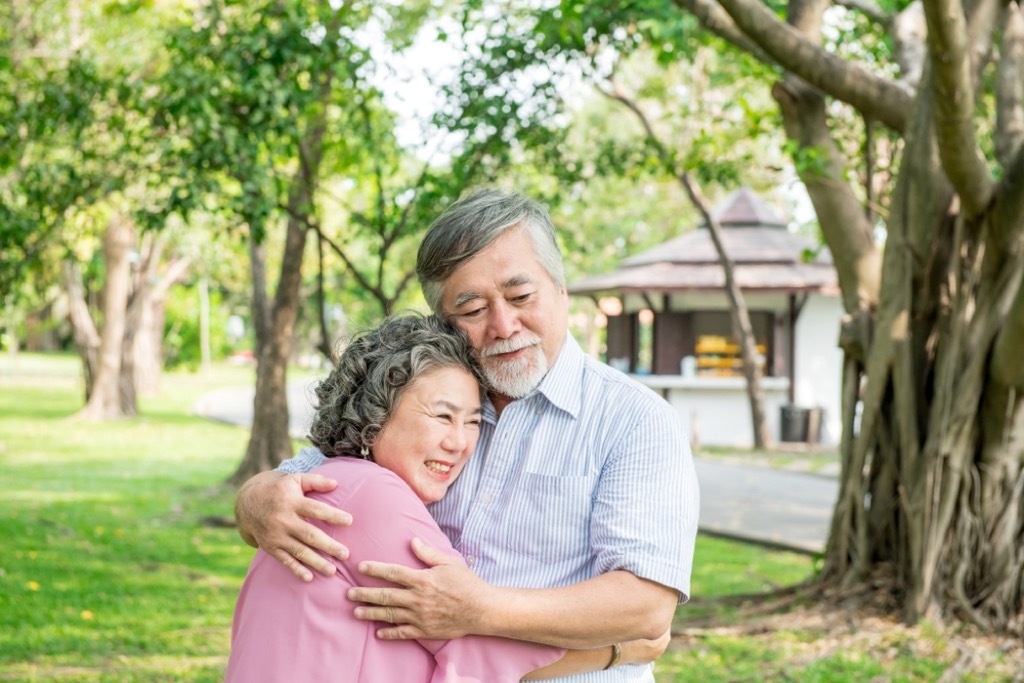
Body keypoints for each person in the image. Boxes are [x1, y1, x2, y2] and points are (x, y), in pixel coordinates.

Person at [235, 188, 701, 682]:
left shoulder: (635, 420)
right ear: (444, 322)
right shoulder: (423, 399)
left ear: (561, 290)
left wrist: (481, 608)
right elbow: (296, 485)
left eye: (521, 297)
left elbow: (645, 606)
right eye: (473, 308)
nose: (503, 325)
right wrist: (256, 500)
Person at [226, 313, 567, 681]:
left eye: (472, 422)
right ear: (378, 412)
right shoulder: (371, 494)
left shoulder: (324, 481)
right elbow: (479, 645)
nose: (459, 443)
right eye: (442, 416)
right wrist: (621, 649)